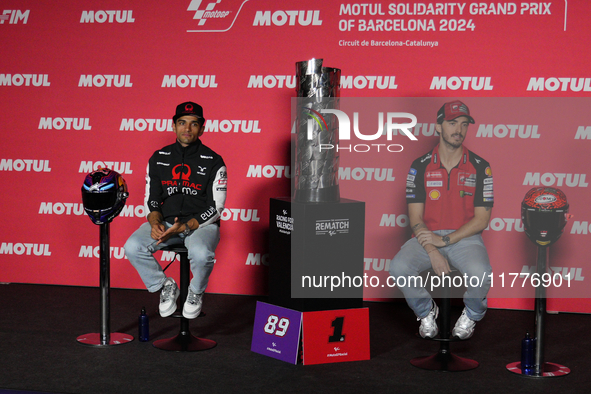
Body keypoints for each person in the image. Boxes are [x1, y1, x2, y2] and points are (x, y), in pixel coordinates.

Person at [389, 100, 493, 340]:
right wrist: (433, 249)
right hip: (427, 237)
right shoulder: (420, 166)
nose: (459, 129)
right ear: (438, 127)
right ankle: (426, 311)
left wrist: (444, 240)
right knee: (398, 267)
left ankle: (472, 313)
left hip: (465, 238)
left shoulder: (481, 167)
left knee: (481, 272)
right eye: (452, 122)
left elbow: (482, 220)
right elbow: (415, 218)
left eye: (464, 124)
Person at [124, 101, 227, 319]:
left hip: (201, 225)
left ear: (202, 128)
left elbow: (216, 208)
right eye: (182, 123)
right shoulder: (158, 158)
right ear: (173, 126)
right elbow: (151, 199)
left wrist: (187, 225)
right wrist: (155, 223)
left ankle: (195, 292)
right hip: (167, 223)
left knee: (201, 253)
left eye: (193, 124)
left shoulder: (215, 161)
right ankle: (164, 286)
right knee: (133, 246)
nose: (187, 129)